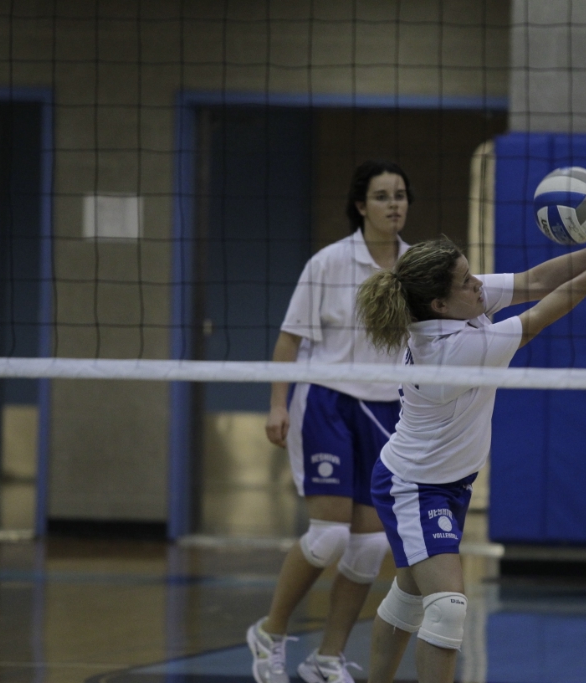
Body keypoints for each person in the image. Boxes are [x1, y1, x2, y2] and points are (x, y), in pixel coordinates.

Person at [355, 233, 586, 683]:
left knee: (409, 598)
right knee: (447, 608)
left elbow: (534, 281)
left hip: (448, 482)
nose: (477, 283)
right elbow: (540, 315)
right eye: (466, 280)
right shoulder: (448, 352)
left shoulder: (460, 303)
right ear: (438, 304)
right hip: (415, 487)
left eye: (470, 272)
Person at [247, 160, 413, 683]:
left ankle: (327, 657)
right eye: (382, 196)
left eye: (400, 195)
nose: (394, 204)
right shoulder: (328, 263)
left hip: (387, 412)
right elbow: (289, 340)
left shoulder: (416, 267)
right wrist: (277, 404)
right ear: (360, 206)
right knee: (328, 538)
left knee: (371, 546)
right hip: (327, 402)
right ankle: (271, 631)